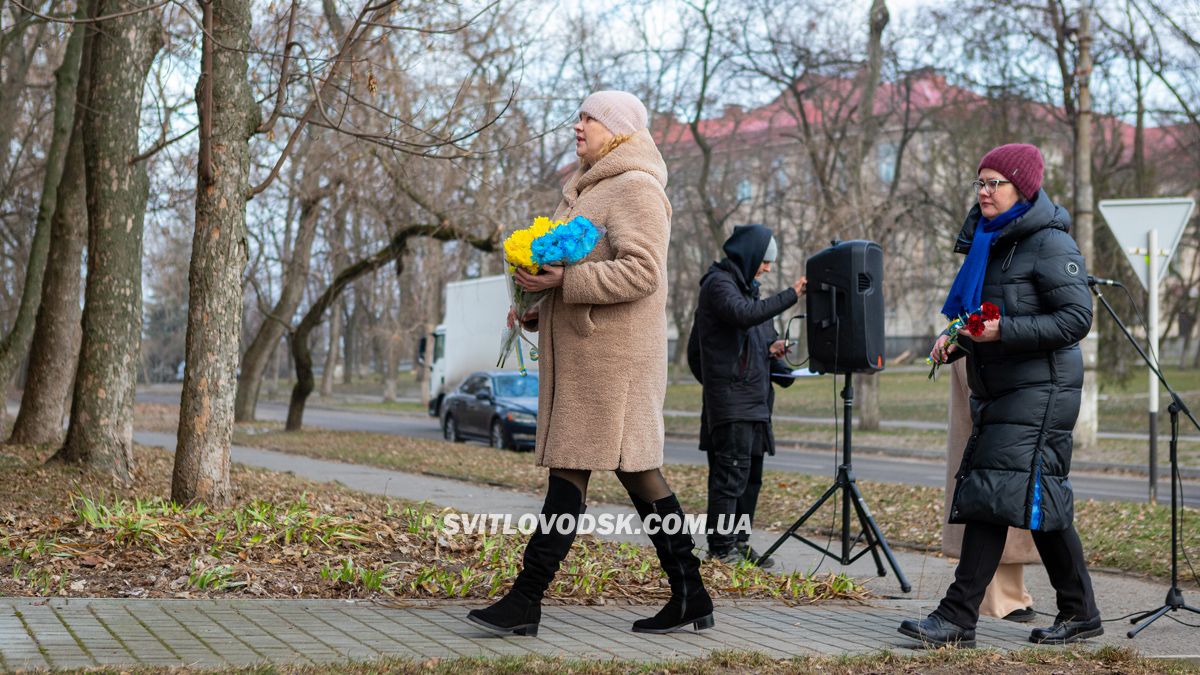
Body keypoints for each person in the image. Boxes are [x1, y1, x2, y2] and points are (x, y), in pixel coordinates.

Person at [467, 91, 714, 637]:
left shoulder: (636, 187)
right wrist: (536, 306)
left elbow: (643, 272)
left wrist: (565, 282)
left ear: (619, 129)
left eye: (589, 118)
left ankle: (526, 599)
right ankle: (690, 593)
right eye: (577, 116)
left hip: (613, 365)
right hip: (585, 360)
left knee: (579, 474)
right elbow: (573, 272)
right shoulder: (588, 190)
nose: (577, 126)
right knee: (635, 475)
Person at [899, 143, 1102, 648]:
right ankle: (1081, 612)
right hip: (1004, 387)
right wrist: (958, 338)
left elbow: (1076, 319)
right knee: (1040, 499)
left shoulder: (1049, 243)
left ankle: (957, 617)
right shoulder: (994, 242)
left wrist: (1002, 331)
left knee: (993, 494)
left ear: (1023, 189)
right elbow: (983, 314)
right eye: (981, 182)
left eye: (996, 183)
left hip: (1042, 389)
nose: (985, 192)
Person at [686, 225, 806, 567]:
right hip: (731, 404)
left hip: (756, 405)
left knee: (751, 478)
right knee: (729, 477)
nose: (766, 268)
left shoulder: (750, 295)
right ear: (750, 255)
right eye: (764, 261)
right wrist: (721, 383)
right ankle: (721, 548)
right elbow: (729, 327)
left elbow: (755, 338)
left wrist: (774, 353)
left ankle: (739, 542)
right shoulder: (718, 286)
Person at [943, 357, 1040, 624]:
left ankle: (1000, 593)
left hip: (993, 344)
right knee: (996, 473)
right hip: (989, 346)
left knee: (999, 472)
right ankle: (997, 596)